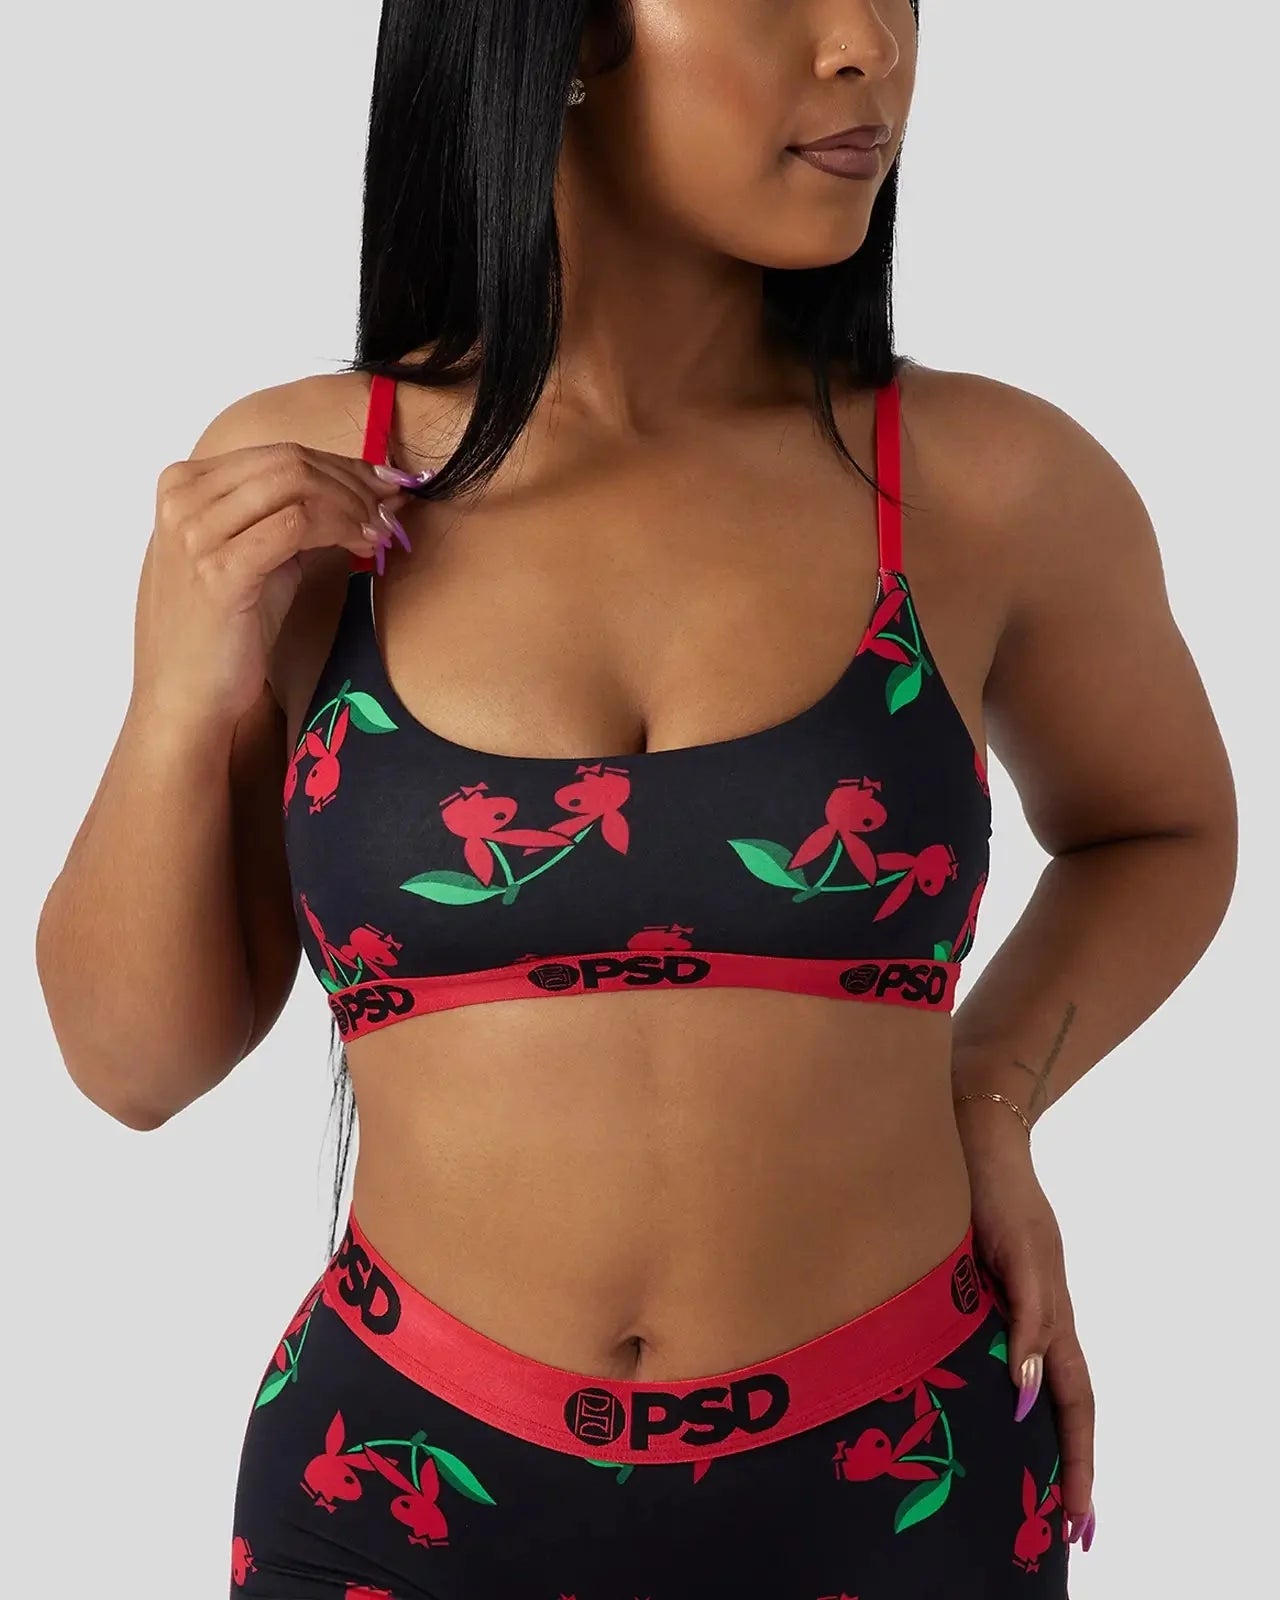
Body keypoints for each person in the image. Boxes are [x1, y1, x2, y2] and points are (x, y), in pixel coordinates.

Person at [35, 4, 1237, 1597]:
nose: (867, 45)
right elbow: (135, 1069)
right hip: (397, 1491)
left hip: (899, 1477)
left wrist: (993, 1094)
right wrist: (184, 695)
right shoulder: (309, 481)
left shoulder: (987, 481)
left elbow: (1161, 830)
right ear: (566, 35)